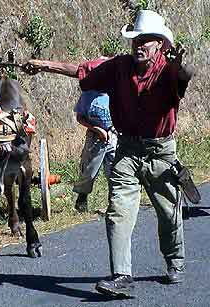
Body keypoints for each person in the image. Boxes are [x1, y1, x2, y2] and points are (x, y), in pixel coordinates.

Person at [23, 10, 194, 298]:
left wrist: (181, 66)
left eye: (147, 40)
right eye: (136, 39)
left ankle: (175, 261)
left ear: (160, 45)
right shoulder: (118, 67)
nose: (140, 44)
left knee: (168, 213)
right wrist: (43, 65)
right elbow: (82, 70)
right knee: (118, 211)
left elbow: (185, 77)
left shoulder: (169, 70)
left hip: (161, 153)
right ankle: (121, 275)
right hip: (126, 150)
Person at [73, 58, 117, 213]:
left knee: (115, 170)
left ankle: (115, 203)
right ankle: (82, 198)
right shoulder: (88, 95)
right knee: (89, 170)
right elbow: (80, 117)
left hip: (114, 135)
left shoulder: (117, 92)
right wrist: (97, 129)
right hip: (95, 137)